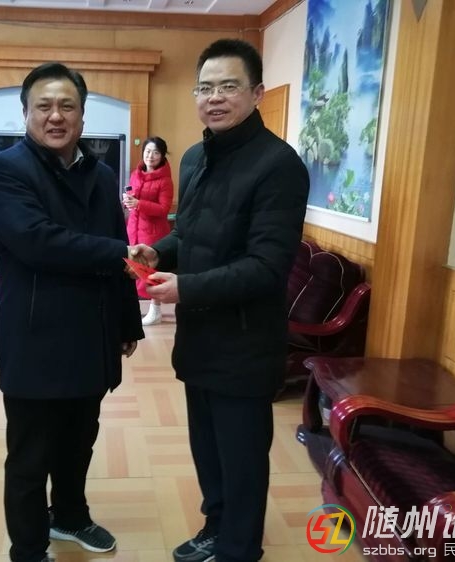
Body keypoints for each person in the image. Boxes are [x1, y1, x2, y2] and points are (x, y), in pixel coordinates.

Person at [130, 39, 310, 562]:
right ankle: (216, 527)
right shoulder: (194, 158)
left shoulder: (279, 165)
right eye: (205, 87)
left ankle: (239, 549)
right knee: (207, 448)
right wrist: (158, 250)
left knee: (242, 457)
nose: (215, 97)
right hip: (200, 335)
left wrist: (185, 288)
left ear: (256, 93)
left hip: (247, 343)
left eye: (229, 86)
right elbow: (189, 233)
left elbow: (267, 267)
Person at [0, 62, 144, 562]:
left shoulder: (102, 173)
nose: (56, 116)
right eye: (44, 106)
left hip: (91, 335)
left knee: (79, 442)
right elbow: (37, 241)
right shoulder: (6, 170)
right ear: (26, 113)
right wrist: (118, 253)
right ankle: (29, 549)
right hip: (35, 337)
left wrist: (127, 320)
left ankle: (70, 516)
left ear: (82, 114)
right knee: (30, 455)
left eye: (67, 106)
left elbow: (119, 248)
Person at [123, 136, 174, 326]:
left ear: (162, 155)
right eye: (147, 151)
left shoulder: (165, 181)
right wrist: (129, 202)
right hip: (134, 228)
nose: (150, 156)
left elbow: (164, 209)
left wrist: (139, 204)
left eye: (155, 152)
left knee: (151, 271)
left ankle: (156, 310)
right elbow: (133, 199)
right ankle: (134, 309)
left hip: (153, 231)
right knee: (132, 267)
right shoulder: (136, 174)